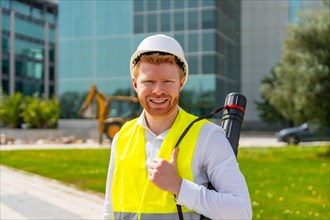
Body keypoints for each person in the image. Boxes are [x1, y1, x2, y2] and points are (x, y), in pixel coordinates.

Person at [103, 34, 252, 220]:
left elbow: (241, 212)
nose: (158, 90)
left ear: (181, 83)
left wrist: (179, 186)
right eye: (148, 82)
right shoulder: (122, 137)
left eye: (167, 81)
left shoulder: (207, 136)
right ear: (135, 84)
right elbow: (110, 209)